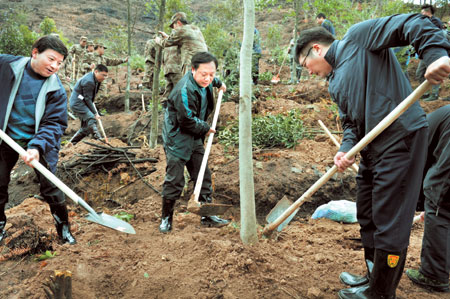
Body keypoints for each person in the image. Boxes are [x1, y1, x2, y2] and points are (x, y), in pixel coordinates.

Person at [294, 13, 450, 298]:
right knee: (367, 212)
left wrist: (435, 55)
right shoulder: (335, 83)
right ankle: (372, 277)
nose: (310, 72)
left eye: (306, 66)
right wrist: (345, 149)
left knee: (390, 219)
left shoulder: (359, 38)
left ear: (316, 48)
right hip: (373, 149)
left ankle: (381, 292)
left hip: (401, 138)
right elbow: (351, 124)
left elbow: (413, 23)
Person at [0, 35, 76, 245]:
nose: (54, 66)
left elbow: (54, 124)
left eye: (59, 63)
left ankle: (64, 230)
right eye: (51, 59)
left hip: (38, 140)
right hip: (5, 136)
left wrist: (36, 147)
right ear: (35, 52)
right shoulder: (7, 65)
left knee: (50, 186)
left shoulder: (56, 91)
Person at [160, 52, 229, 233]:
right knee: (175, 178)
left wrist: (219, 83)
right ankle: (166, 218)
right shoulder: (184, 90)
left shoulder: (207, 80)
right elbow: (186, 120)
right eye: (203, 74)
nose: (208, 78)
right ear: (193, 70)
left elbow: (212, 79)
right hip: (178, 136)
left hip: (194, 134)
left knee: (202, 174)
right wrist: (205, 127)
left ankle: (206, 215)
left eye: (211, 74)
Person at [405, 105, 450, 293]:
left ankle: (433, 275)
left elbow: (420, 161)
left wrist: (426, 201)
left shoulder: (421, 128)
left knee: (440, 209)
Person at [69, 64, 109, 145]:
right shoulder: (89, 81)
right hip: (78, 103)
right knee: (92, 118)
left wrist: (95, 112)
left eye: (106, 76)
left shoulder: (96, 79)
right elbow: (87, 99)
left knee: (86, 128)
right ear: (96, 71)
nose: (104, 78)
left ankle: (71, 143)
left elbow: (89, 98)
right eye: (103, 75)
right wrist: (95, 113)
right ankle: (98, 139)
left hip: (82, 101)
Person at [416, 4, 444, 102]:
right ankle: (426, 93)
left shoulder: (435, 22)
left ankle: (434, 95)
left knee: (434, 73)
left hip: (434, 52)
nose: (421, 13)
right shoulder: (426, 21)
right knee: (420, 73)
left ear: (427, 11)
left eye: (422, 11)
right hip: (425, 52)